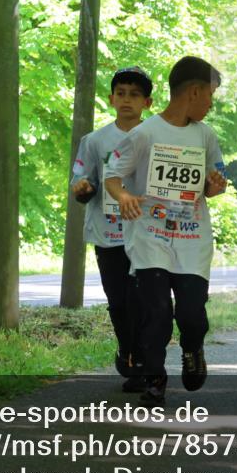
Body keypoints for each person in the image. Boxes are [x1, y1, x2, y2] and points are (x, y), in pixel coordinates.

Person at [105, 56, 228, 407]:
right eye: (211, 95)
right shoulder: (144, 134)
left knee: (191, 314)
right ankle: (154, 378)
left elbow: (213, 184)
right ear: (195, 92)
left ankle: (193, 348)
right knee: (155, 312)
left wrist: (215, 185)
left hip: (192, 240)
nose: (211, 103)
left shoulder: (205, 135)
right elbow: (112, 176)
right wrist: (124, 197)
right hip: (150, 237)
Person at [71, 66, 154, 392]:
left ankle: (144, 363)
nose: (126, 100)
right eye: (121, 93)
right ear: (111, 98)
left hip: (149, 233)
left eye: (134, 94)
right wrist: (83, 188)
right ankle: (127, 351)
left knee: (145, 300)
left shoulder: (157, 138)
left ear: (147, 102)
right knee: (119, 300)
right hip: (109, 234)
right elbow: (83, 182)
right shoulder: (94, 141)